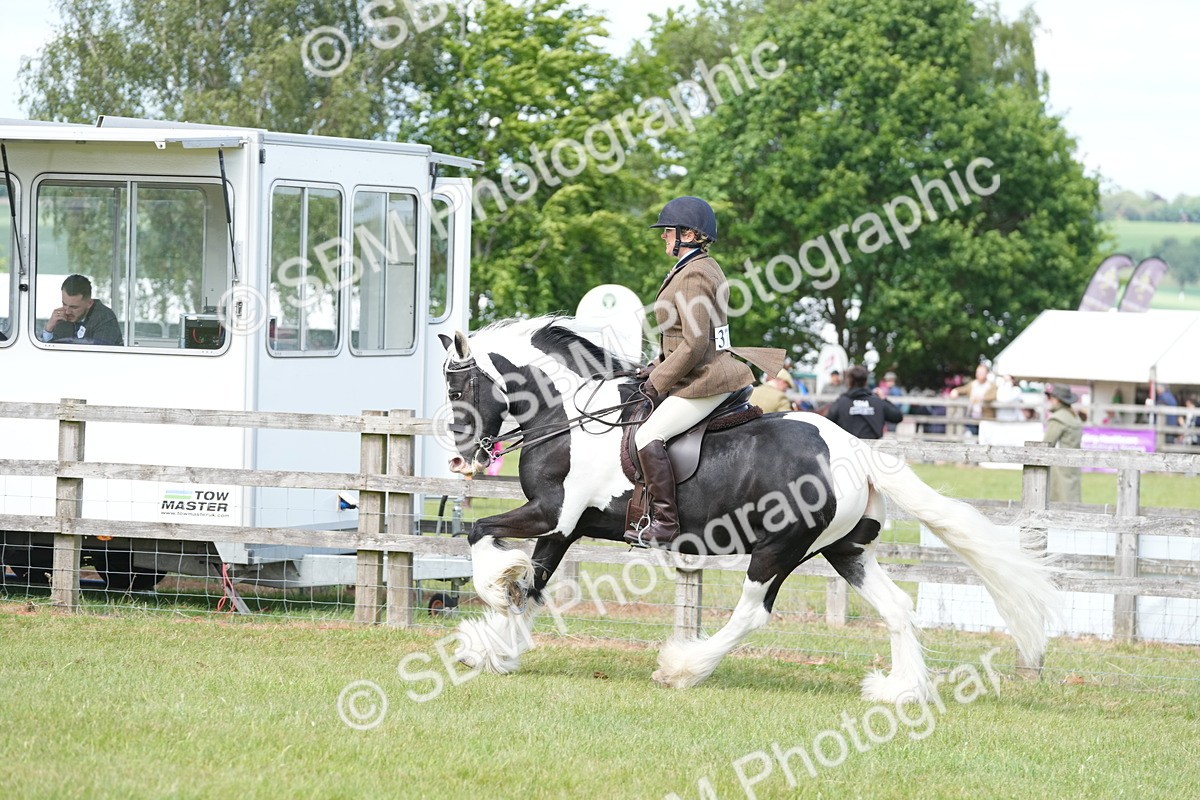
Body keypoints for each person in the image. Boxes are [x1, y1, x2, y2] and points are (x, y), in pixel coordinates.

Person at [624, 196, 782, 548]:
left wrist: (658, 382)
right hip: (700, 368)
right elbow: (680, 338)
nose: (663, 237)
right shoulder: (697, 267)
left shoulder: (694, 274)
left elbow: (695, 344)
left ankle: (664, 523)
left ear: (690, 235)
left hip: (706, 378)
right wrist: (654, 367)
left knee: (647, 436)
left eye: (668, 231)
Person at [41, 274, 123, 346]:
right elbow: (48, 354)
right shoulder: (61, 318)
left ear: (89, 303)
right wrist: (49, 329)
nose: (67, 311)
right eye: (64, 304)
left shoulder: (105, 318)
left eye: (74, 307)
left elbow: (99, 356)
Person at [825, 365, 903, 440]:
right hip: (872, 451)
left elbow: (826, 423)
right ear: (866, 381)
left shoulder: (841, 402)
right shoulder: (877, 401)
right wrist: (884, 399)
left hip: (848, 450)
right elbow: (898, 416)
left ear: (849, 381)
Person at [1044, 384, 1082, 503]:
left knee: (1060, 502)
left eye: (1051, 397)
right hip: (1073, 466)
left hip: (1059, 468)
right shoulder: (1074, 416)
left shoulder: (1058, 418)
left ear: (1057, 399)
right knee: (1072, 500)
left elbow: (1045, 445)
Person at [949, 364, 996, 437]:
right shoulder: (973, 384)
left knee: (984, 440)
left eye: (982, 372)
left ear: (987, 373)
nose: (979, 374)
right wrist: (955, 391)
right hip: (973, 416)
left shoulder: (991, 386)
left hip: (986, 418)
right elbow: (963, 389)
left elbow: (993, 396)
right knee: (972, 438)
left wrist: (982, 398)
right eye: (978, 372)